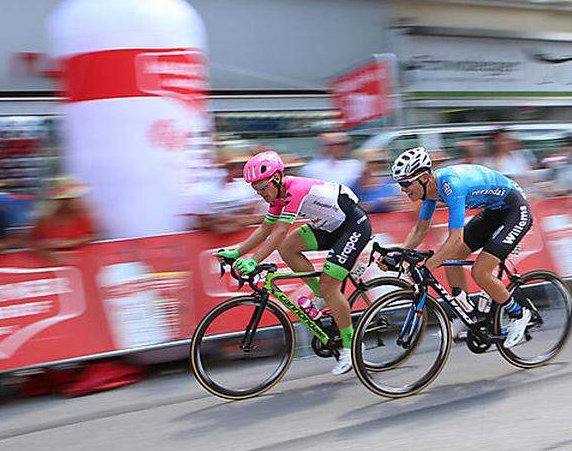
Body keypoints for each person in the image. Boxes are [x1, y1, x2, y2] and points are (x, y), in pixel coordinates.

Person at [216, 151, 372, 376]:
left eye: (262, 187)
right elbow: (265, 229)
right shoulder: (277, 197)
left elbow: (279, 231)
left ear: (277, 178)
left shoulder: (295, 189)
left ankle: (351, 347)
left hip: (352, 227)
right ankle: (321, 297)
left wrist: (253, 260)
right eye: (255, 189)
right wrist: (236, 252)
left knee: (330, 286)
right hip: (329, 227)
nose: (260, 194)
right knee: (288, 248)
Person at [390, 147, 535, 348]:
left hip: (515, 210)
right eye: (400, 185)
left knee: (480, 271)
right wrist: (399, 253)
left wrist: (427, 267)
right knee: (450, 261)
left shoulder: (452, 186)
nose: (403, 190)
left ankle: (519, 313)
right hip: (493, 212)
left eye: (406, 184)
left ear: (423, 178)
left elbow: (455, 239)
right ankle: (468, 314)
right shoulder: (430, 191)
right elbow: (421, 230)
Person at [30, 177, 99, 260]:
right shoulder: (45, 217)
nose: (71, 201)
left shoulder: (82, 213)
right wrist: (46, 251)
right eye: (66, 199)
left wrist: (71, 242)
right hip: (50, 260)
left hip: (80, 257)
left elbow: (91, 235)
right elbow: (32, 240)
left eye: (72, 198)